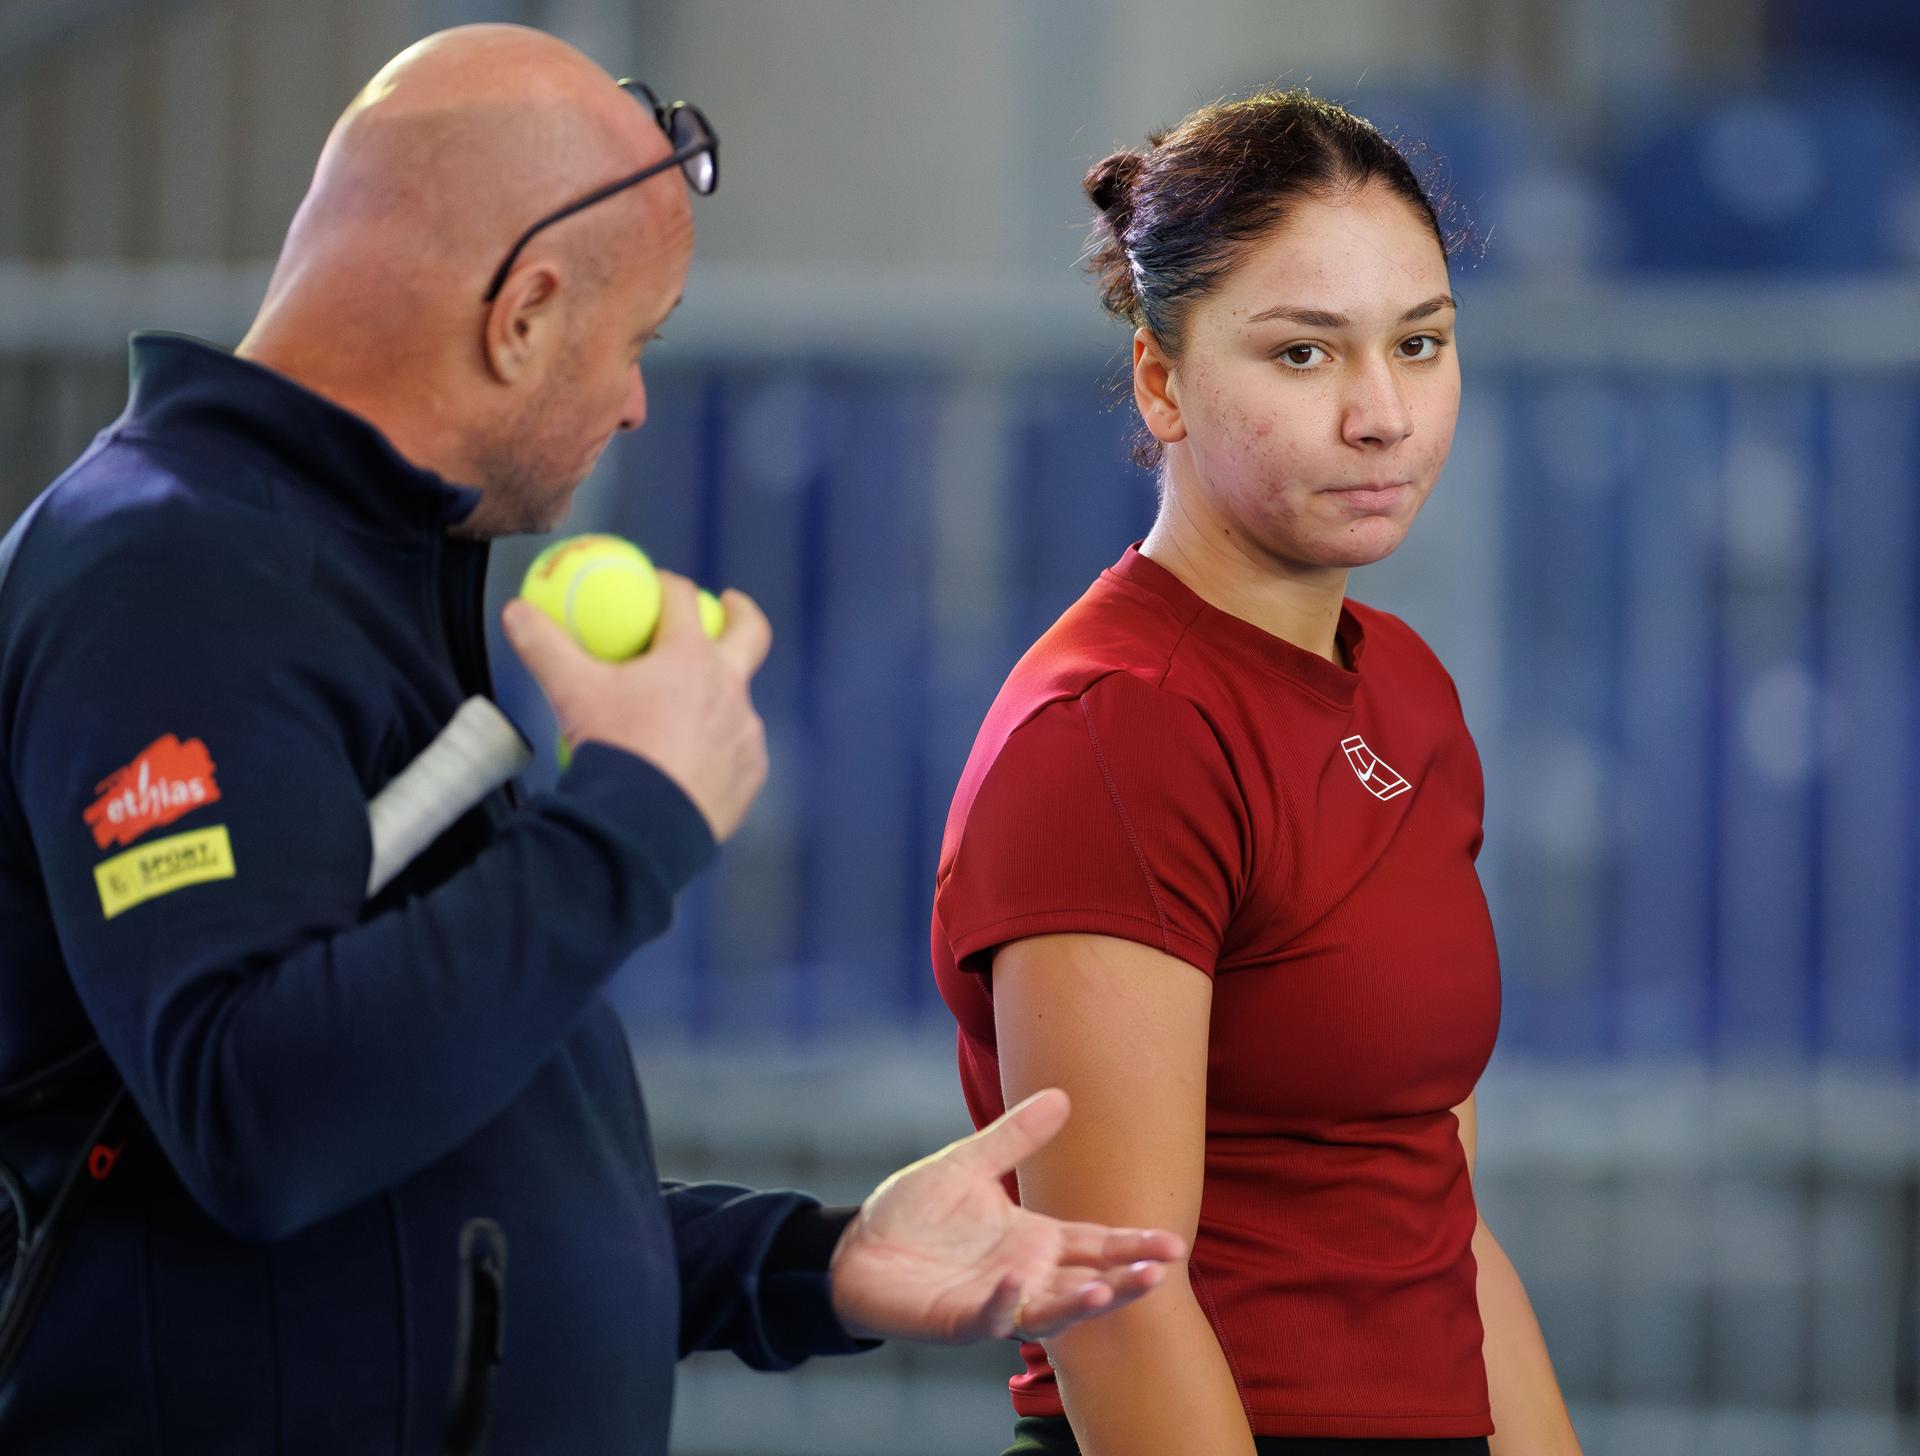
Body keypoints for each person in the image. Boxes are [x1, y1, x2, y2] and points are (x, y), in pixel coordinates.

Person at [0, 25, 1185, 1455]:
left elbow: (431, 1189)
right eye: (635, 345)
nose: (633, 402)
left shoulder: (333, 577)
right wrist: (634, 815)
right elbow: (260, 1118)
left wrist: (809, 1265)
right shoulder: (167, 578)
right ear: (523, 314)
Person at [931, 92, 1583, 1456]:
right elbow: (1119, 1292)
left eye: (1421, 344)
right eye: (1303, 355)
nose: (1382, 414)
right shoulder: (1115, 730)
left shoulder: (1402, 682)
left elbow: (1437, 1215)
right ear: (1162, 382)